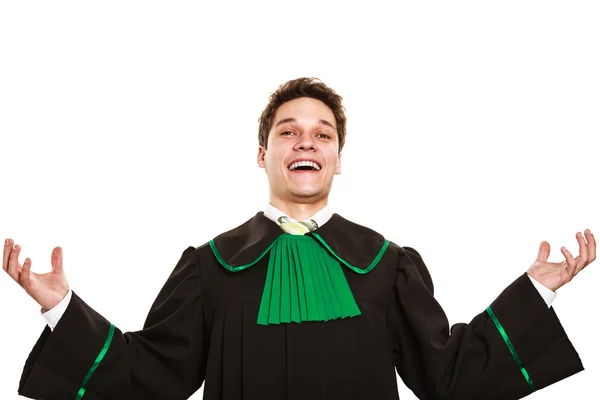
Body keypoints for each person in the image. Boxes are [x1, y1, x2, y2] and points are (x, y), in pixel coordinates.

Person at [3, 77, 596, 400]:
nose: (306, 142)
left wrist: (534, 295)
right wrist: (60, 309)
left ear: (339, 160)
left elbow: (449, 377)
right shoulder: (210, 267)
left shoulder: (387, 266)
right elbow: (151, 378)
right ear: (264, 155)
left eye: (323, 135)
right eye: (289, 133)